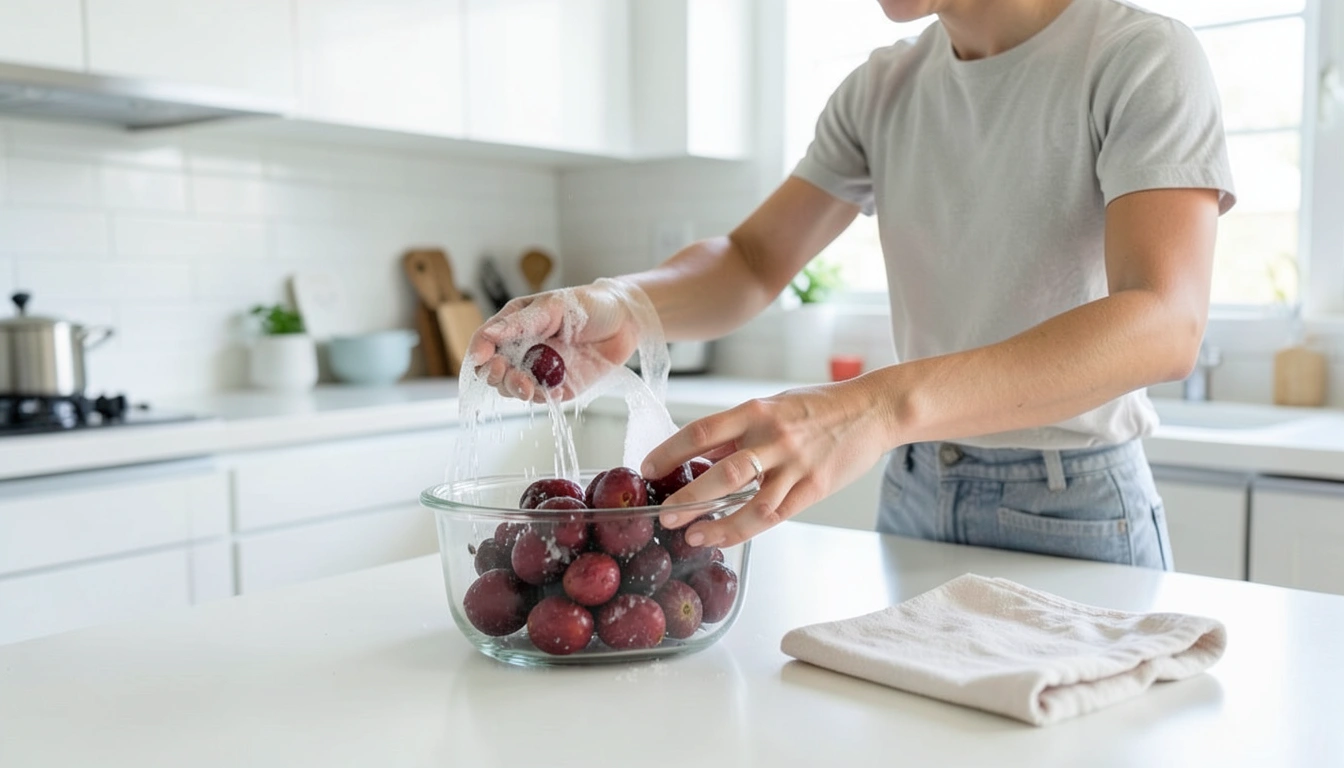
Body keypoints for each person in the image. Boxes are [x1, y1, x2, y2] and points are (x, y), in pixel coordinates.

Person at [468, 0, 1235, 570]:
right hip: (916, 490)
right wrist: (623, 304)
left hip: (1075, 504)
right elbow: (750, 259)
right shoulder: (883, 87)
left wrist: (872, 407)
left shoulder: (1139, 56)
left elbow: (1164, 322)